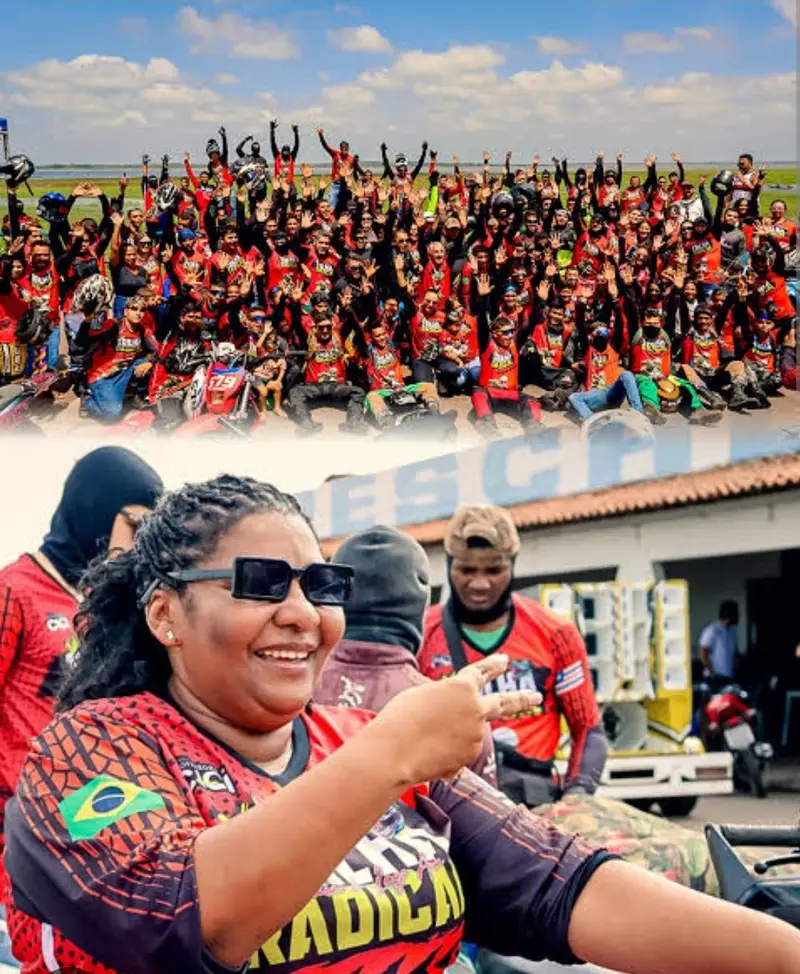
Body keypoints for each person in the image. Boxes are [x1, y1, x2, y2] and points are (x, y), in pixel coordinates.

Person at [4, 473, 798, 974]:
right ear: (166, 615)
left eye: (321, 584)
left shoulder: (360, 740)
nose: (303, 613)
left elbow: (560, 885)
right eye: (260, 582)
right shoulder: (89, 748)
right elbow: (182, 922)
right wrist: (387, 756)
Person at [0, 446, 163, 893]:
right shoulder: (15, 591)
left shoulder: (102, 604)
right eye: (134, 525)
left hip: (82, 835)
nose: (138, 544)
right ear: (96, 510)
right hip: (18, 843)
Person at [418, 504, 608, 804]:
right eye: (467, 570)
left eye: (494, 570)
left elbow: (588, 729)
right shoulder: (421, 634)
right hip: (449, 802)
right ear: (449, 566)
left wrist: (577, 795)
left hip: (533, 802)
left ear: (513, 565)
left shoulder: (556, 634)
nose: (480, 583)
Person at [314, 525, 496, 786]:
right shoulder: (459, 716)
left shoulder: (287, 697)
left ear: (335, 597)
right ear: (419, 606)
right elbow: (483, 811)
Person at [699, 600, 741, 689]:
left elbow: (734, 653)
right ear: (730, 614)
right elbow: (703, 653)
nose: (738, 616)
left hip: (729, 677)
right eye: (736, 613)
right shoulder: (712, 630)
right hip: (714, 677)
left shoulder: (733, 632)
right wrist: (712, 673)